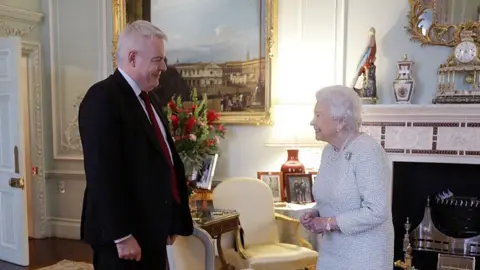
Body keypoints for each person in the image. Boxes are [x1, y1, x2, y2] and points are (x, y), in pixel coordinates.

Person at [78, 20, 193, 270]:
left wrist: (170, 220)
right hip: (123, 239)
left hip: (150, 231)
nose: (164, 67)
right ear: (132, 58)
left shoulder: (150, 100)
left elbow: (163, 163)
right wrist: (121, 236)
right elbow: (101, 174)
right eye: (158, 60)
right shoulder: (102, 98)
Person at [301, 85, 394, 269]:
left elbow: (377, 211)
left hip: (365, 257)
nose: (312, 122)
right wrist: (316, 212)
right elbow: (336, 198)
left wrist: (327, 223)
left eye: (318, 115)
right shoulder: (329, 151)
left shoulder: (368, 152)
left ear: (341, 121)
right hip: (331, 254)